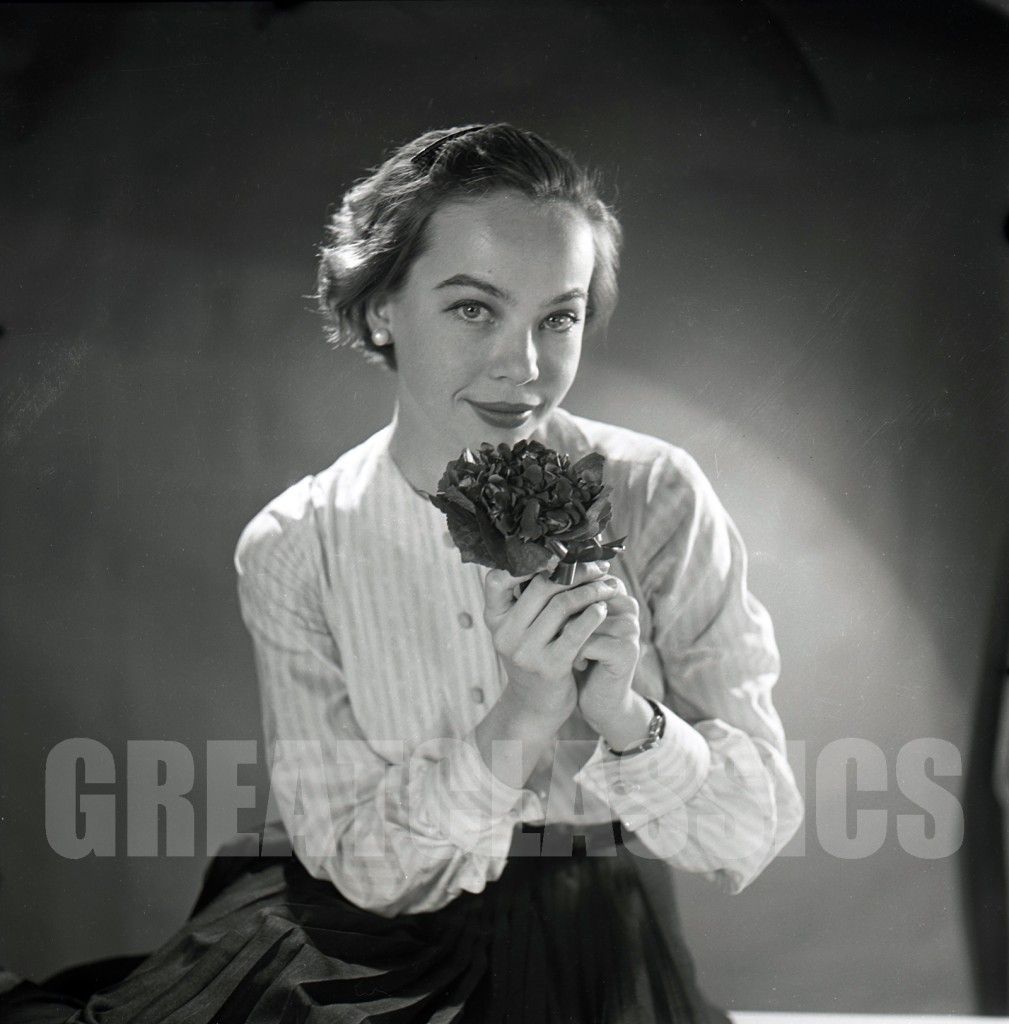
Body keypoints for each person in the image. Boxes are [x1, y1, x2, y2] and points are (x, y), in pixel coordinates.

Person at [0, 123, 803, 1023]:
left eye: (558, 317)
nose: (524, 368)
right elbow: (363, 868)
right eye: (473, 309)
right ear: (383, 307)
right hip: (356, 941)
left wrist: (624, 716)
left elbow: (748, 831)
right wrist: (519, 717)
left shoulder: (654, 494)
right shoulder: (297, 542)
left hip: (592, 946)